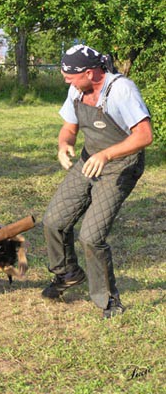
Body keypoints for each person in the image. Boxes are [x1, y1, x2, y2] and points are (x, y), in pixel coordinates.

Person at [42, 44, 153, 318]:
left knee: (91, 236)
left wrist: (106, 155)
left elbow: (144, 136)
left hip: (121, 166)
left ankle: (108, 301)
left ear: (91, 73)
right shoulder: (77, 90)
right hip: (88, 160)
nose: (66, 81)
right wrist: (63, 144)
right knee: (54, 221)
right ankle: (66, 273)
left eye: (70, 76)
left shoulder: (121, 90)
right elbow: (69, 126)